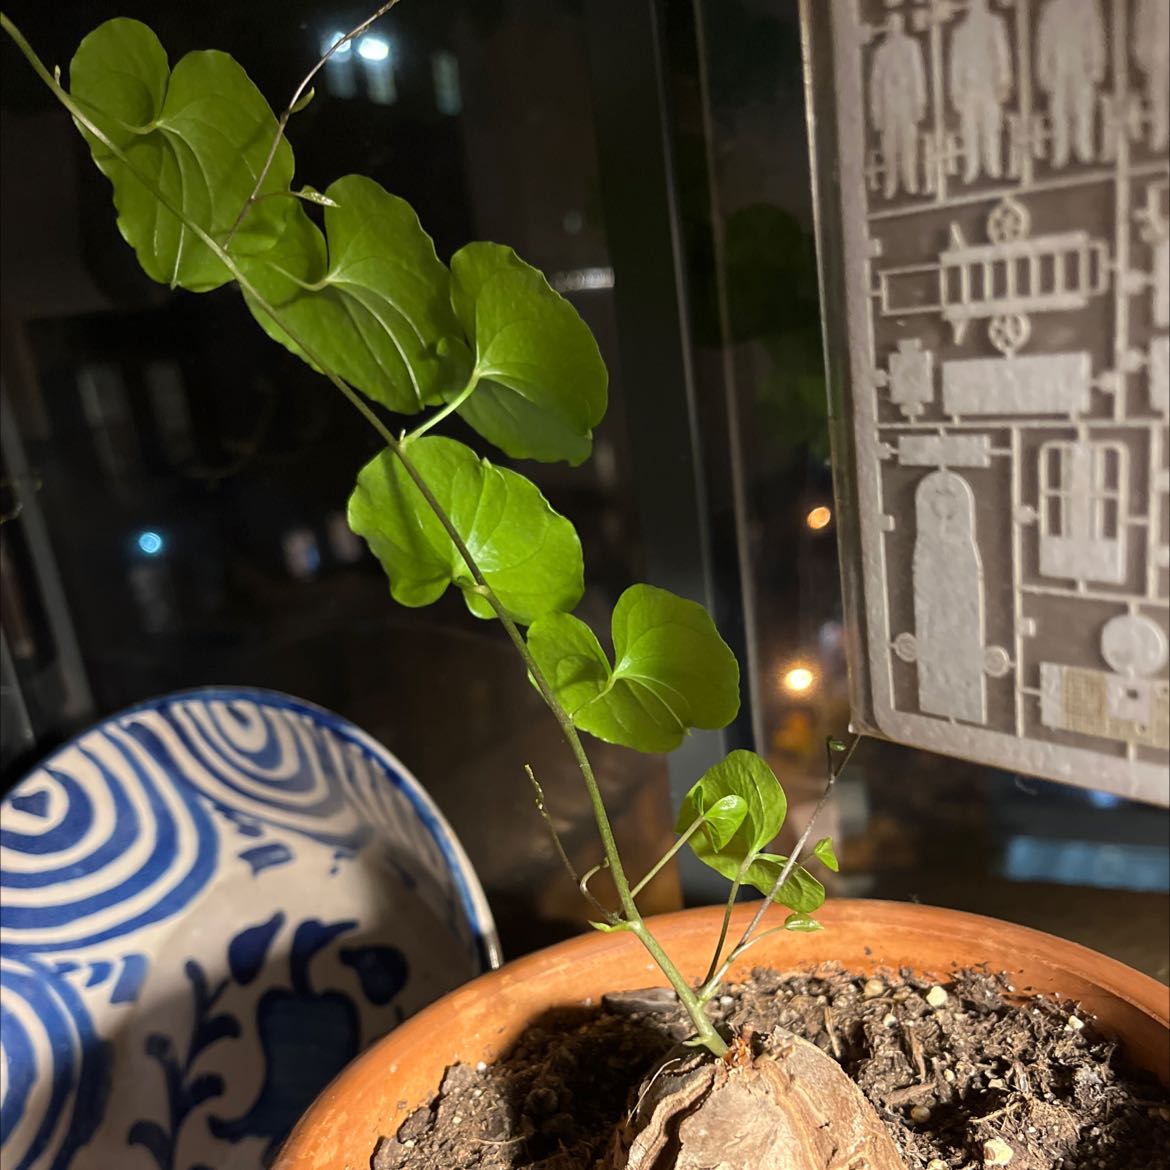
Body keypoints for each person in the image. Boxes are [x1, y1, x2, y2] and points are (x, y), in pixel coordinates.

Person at [948, 0, 1012, 182]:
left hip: (989, 84)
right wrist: (956, 90)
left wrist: (1004, 81)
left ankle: (993, 164)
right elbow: (956, 63)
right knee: (969, 128)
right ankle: (972, 166)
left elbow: (1002, 54)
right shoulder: (960, 32)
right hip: (969, 87)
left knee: (991, 126)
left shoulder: (994, 24)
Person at [1036, 0, 1105, 167]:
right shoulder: (1050, 9)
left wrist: (1097, 64)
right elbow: (1044, 43)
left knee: (1084, 108)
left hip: (1082, 64)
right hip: (1059, 65)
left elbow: (1096, 37)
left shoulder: (1088, 6)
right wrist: (1044, 71)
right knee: (1059, 110)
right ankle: (1061, 150)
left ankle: (1084, 148)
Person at [869, 13, 927, 198]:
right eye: (890, 24)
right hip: (888, 107)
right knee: (889, 147)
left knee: (908, 144)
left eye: (897, 23)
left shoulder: (911, 46)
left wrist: (919, 103)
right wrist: (877, 113)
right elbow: (875, 85)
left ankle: (909, 181)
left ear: (901, 25)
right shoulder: (881, 52)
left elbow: (918, 77)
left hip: (906, 105)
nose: (894, 27)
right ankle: (891, 182)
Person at [1133, 0, 1169, 152]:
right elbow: (1141, 26)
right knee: (1157, 97)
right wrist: (1141, 53)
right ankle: (1160, 135)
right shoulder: (1147, 2)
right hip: (1156, 57)